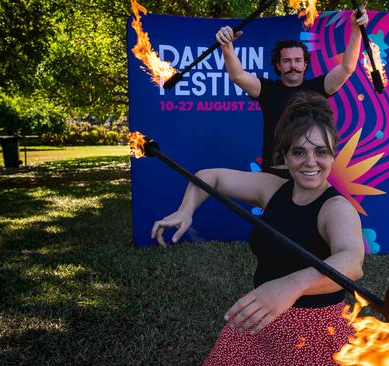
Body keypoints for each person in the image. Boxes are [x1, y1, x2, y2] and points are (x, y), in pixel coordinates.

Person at [151, 92, 364, 365]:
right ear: (285, 157)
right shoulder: (272, 188)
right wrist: (186, 209)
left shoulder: (336, 208)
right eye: (299, 152)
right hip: (261, 314)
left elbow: (351, 261)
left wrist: (291, 286)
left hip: (313, 329)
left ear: (333, 154)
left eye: (320, 151)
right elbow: (209, 177)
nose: (311, 162)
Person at [215, 8, 369, 178]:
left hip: (310, 172)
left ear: (305, 65)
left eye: (298, 60)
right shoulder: (266, 89)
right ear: (279, 65)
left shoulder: (318, 87)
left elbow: (347, 68)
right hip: (274, 173)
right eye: (287, 61)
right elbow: (237, 76)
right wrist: (226, 45)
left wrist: (356, 30)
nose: (293, 66)